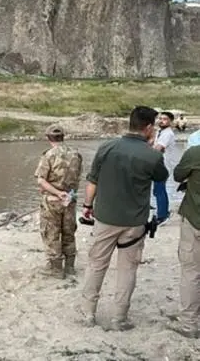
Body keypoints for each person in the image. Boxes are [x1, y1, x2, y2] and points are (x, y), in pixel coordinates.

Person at [79, 106, 168, 330]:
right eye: (154, 127)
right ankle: (119, 318)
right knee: (127, 270)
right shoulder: (153, 155)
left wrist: (87, 206)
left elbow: (93, 181)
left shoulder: (106, 147)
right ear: (148, 128)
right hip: (134, 223)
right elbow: (162, 177)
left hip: (105, 217)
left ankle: (88, 314)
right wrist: (152, 148)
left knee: (96, 265)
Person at [34, 124, 83, 278]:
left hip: (52, 201)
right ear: (63, 136)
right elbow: (78, 176)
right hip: (70, 200)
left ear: (49, 138)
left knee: (51, 233)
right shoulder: (76, 154)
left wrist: (57, 192)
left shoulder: (48, 155)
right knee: (69, 232)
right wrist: (67, 193)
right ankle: (69, 266)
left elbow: (41, 181)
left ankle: (55, 268)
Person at [168, 140, 200, 338]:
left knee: (191, 272)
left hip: (195, 218)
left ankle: (189, 323)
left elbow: (178, 175)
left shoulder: (195, 153)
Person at [153, 111, 176, 225]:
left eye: (165, 119)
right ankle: (162, 212)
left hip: (163, 165)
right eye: (160, 118)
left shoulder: (167, 134)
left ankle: (162, 215)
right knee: (158, 190)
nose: (161, 121)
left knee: (159, 190)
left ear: (170, 121)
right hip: (159, 164)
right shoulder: (160, 132)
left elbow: (158, 148)